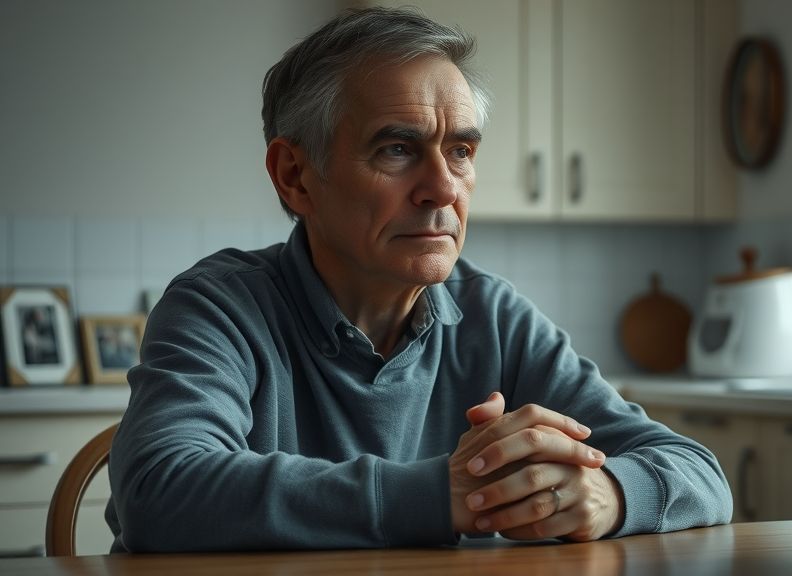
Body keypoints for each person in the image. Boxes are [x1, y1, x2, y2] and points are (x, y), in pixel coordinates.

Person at [105, 6, 732, 553]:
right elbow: (159, 490)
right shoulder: (219, 306)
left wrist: (606, 492)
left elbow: (700, 472)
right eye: (397, 149)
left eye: (460, 151)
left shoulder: (494, 316)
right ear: (295, 175)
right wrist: (444, 493)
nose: (442, 188)